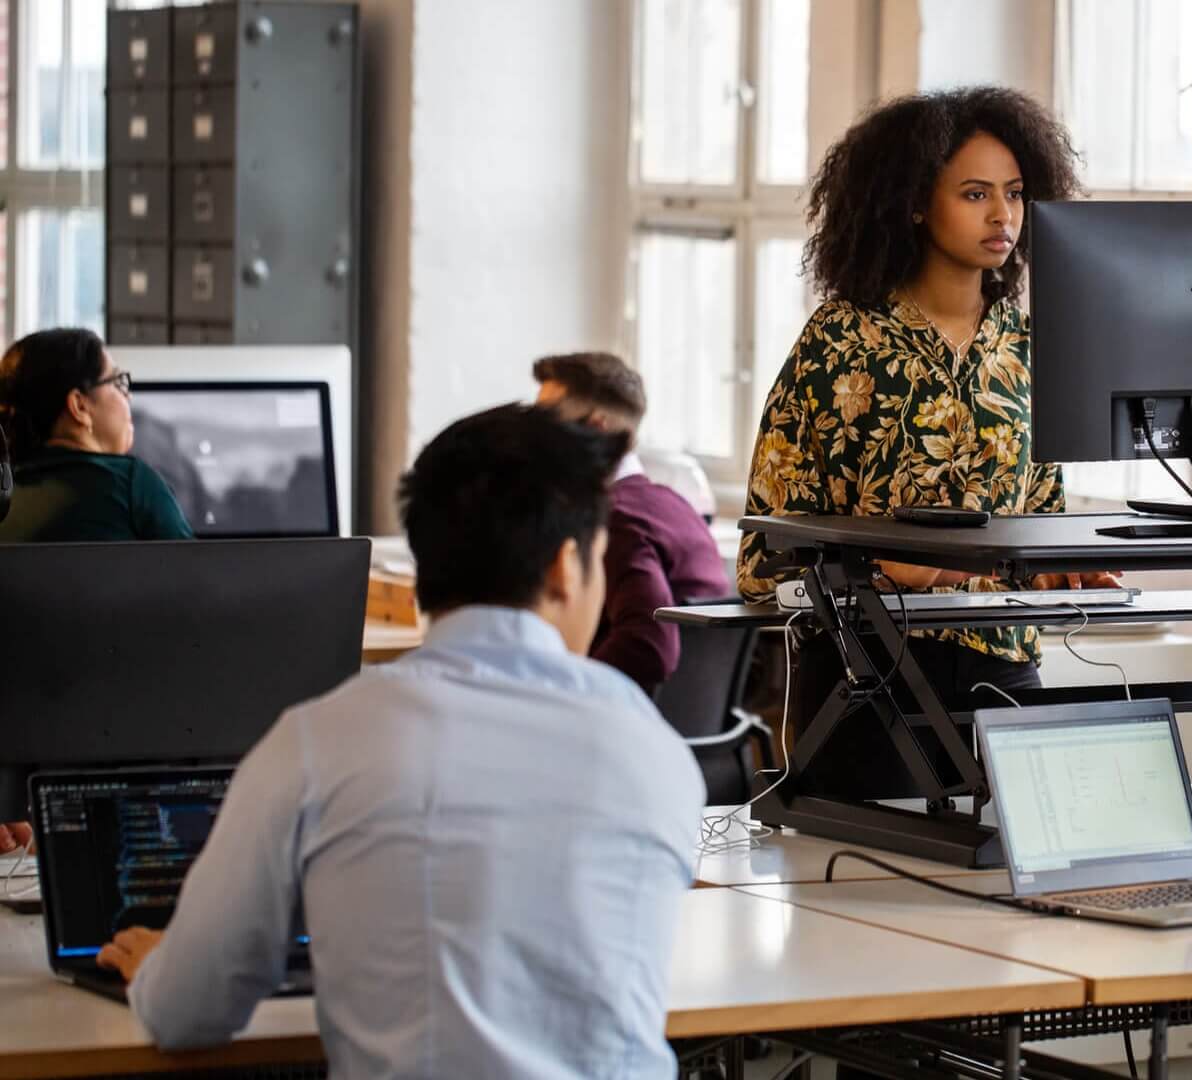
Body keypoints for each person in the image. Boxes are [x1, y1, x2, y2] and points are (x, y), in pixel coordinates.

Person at [93, 405, 704, 1078]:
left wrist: (157, 967)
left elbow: (190, 1013)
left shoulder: (315, 742)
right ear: (567, 566)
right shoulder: (654, 753)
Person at [737, 87, 1116, 796]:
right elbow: (766, 559)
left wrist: (1058, 567)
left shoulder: (1031, 347)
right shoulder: (841, 340)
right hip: (863, 679)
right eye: (975, 194)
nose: (1002, 215)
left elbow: (1037, 520)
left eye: (1014, 193)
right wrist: (884, 571)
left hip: (1001, 667)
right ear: (915, 202)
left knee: (1006, 891)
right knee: (857, 895)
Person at [534, 351, 731, 694]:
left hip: (626, 728)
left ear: (596, 428)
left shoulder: (617, 520)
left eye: (547, 424)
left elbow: (648, 645)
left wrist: (566, 693)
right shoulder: (674, 505)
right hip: (698, 728)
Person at [0, 327, 192, 543]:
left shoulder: (5, 494)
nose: (127, 396)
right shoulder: (131, 484)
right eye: (117, 382)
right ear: (79, 406)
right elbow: (198, 573)